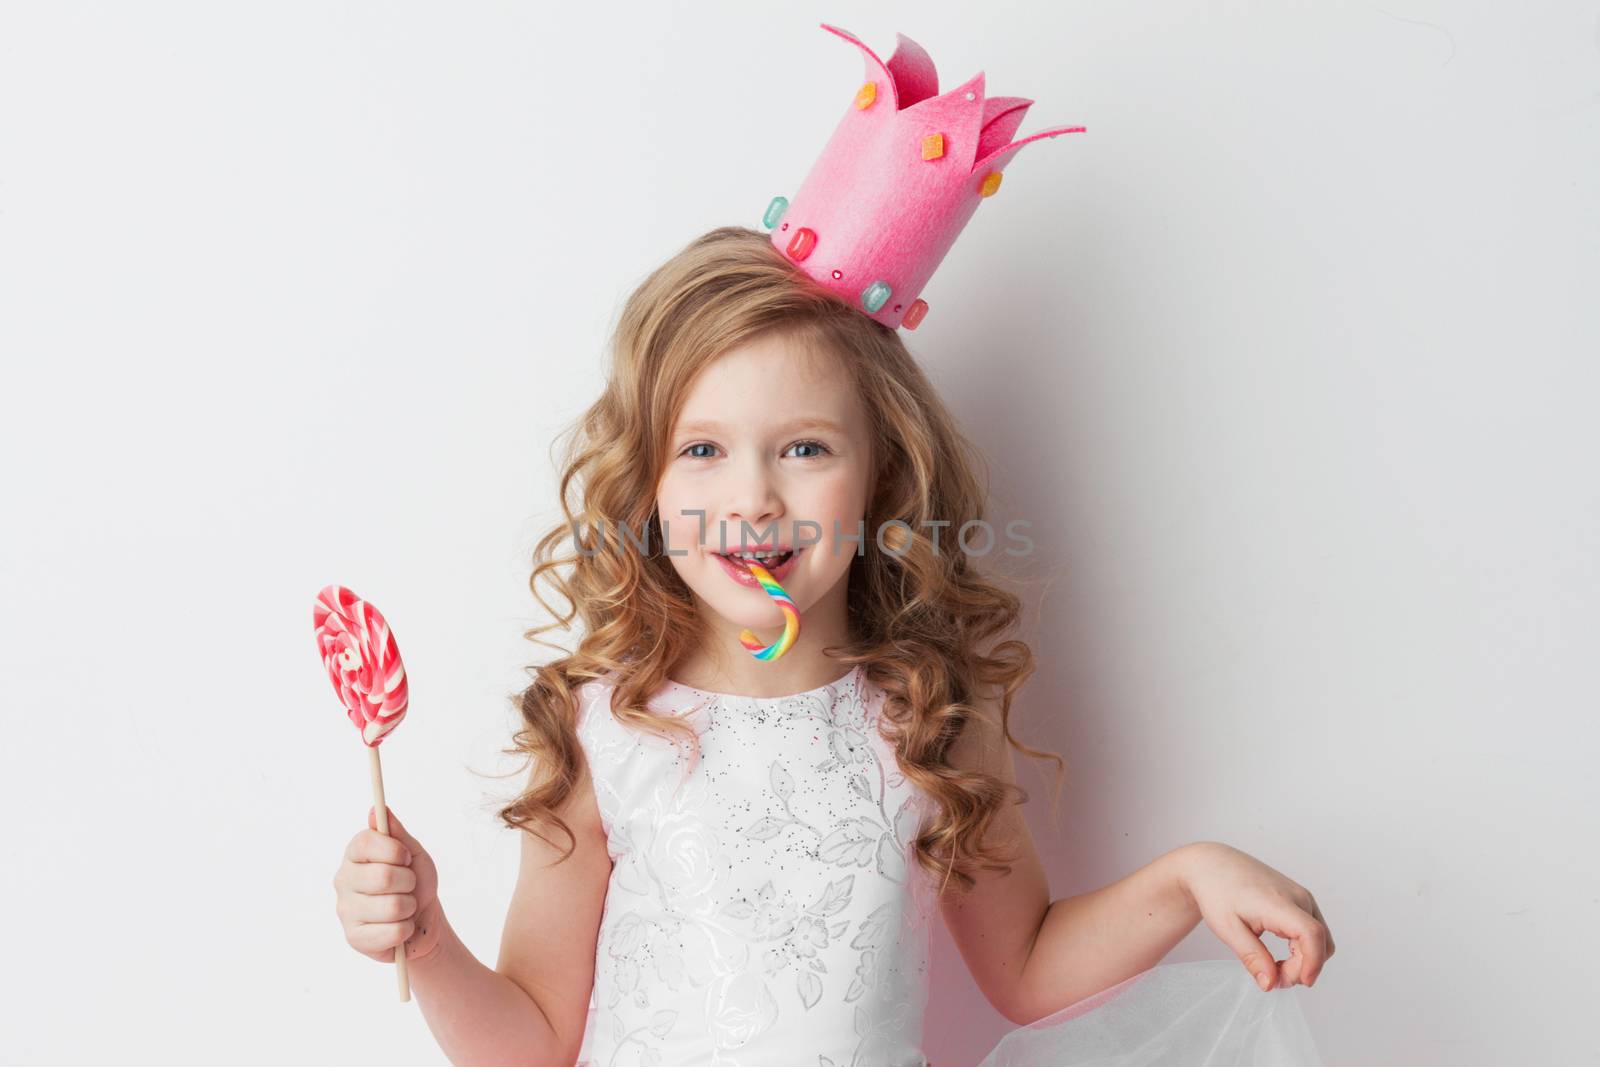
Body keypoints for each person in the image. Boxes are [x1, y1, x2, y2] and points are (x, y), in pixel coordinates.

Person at [331, 226, 1333, 1065]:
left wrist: (1187, 875)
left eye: (804, 447)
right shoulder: (605, 728)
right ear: (644, 482)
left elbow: (1026, 969)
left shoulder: (932, 718)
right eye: (702, 448)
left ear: (881, 476)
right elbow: (532, 1041)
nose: (753, 496)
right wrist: (428, 938)